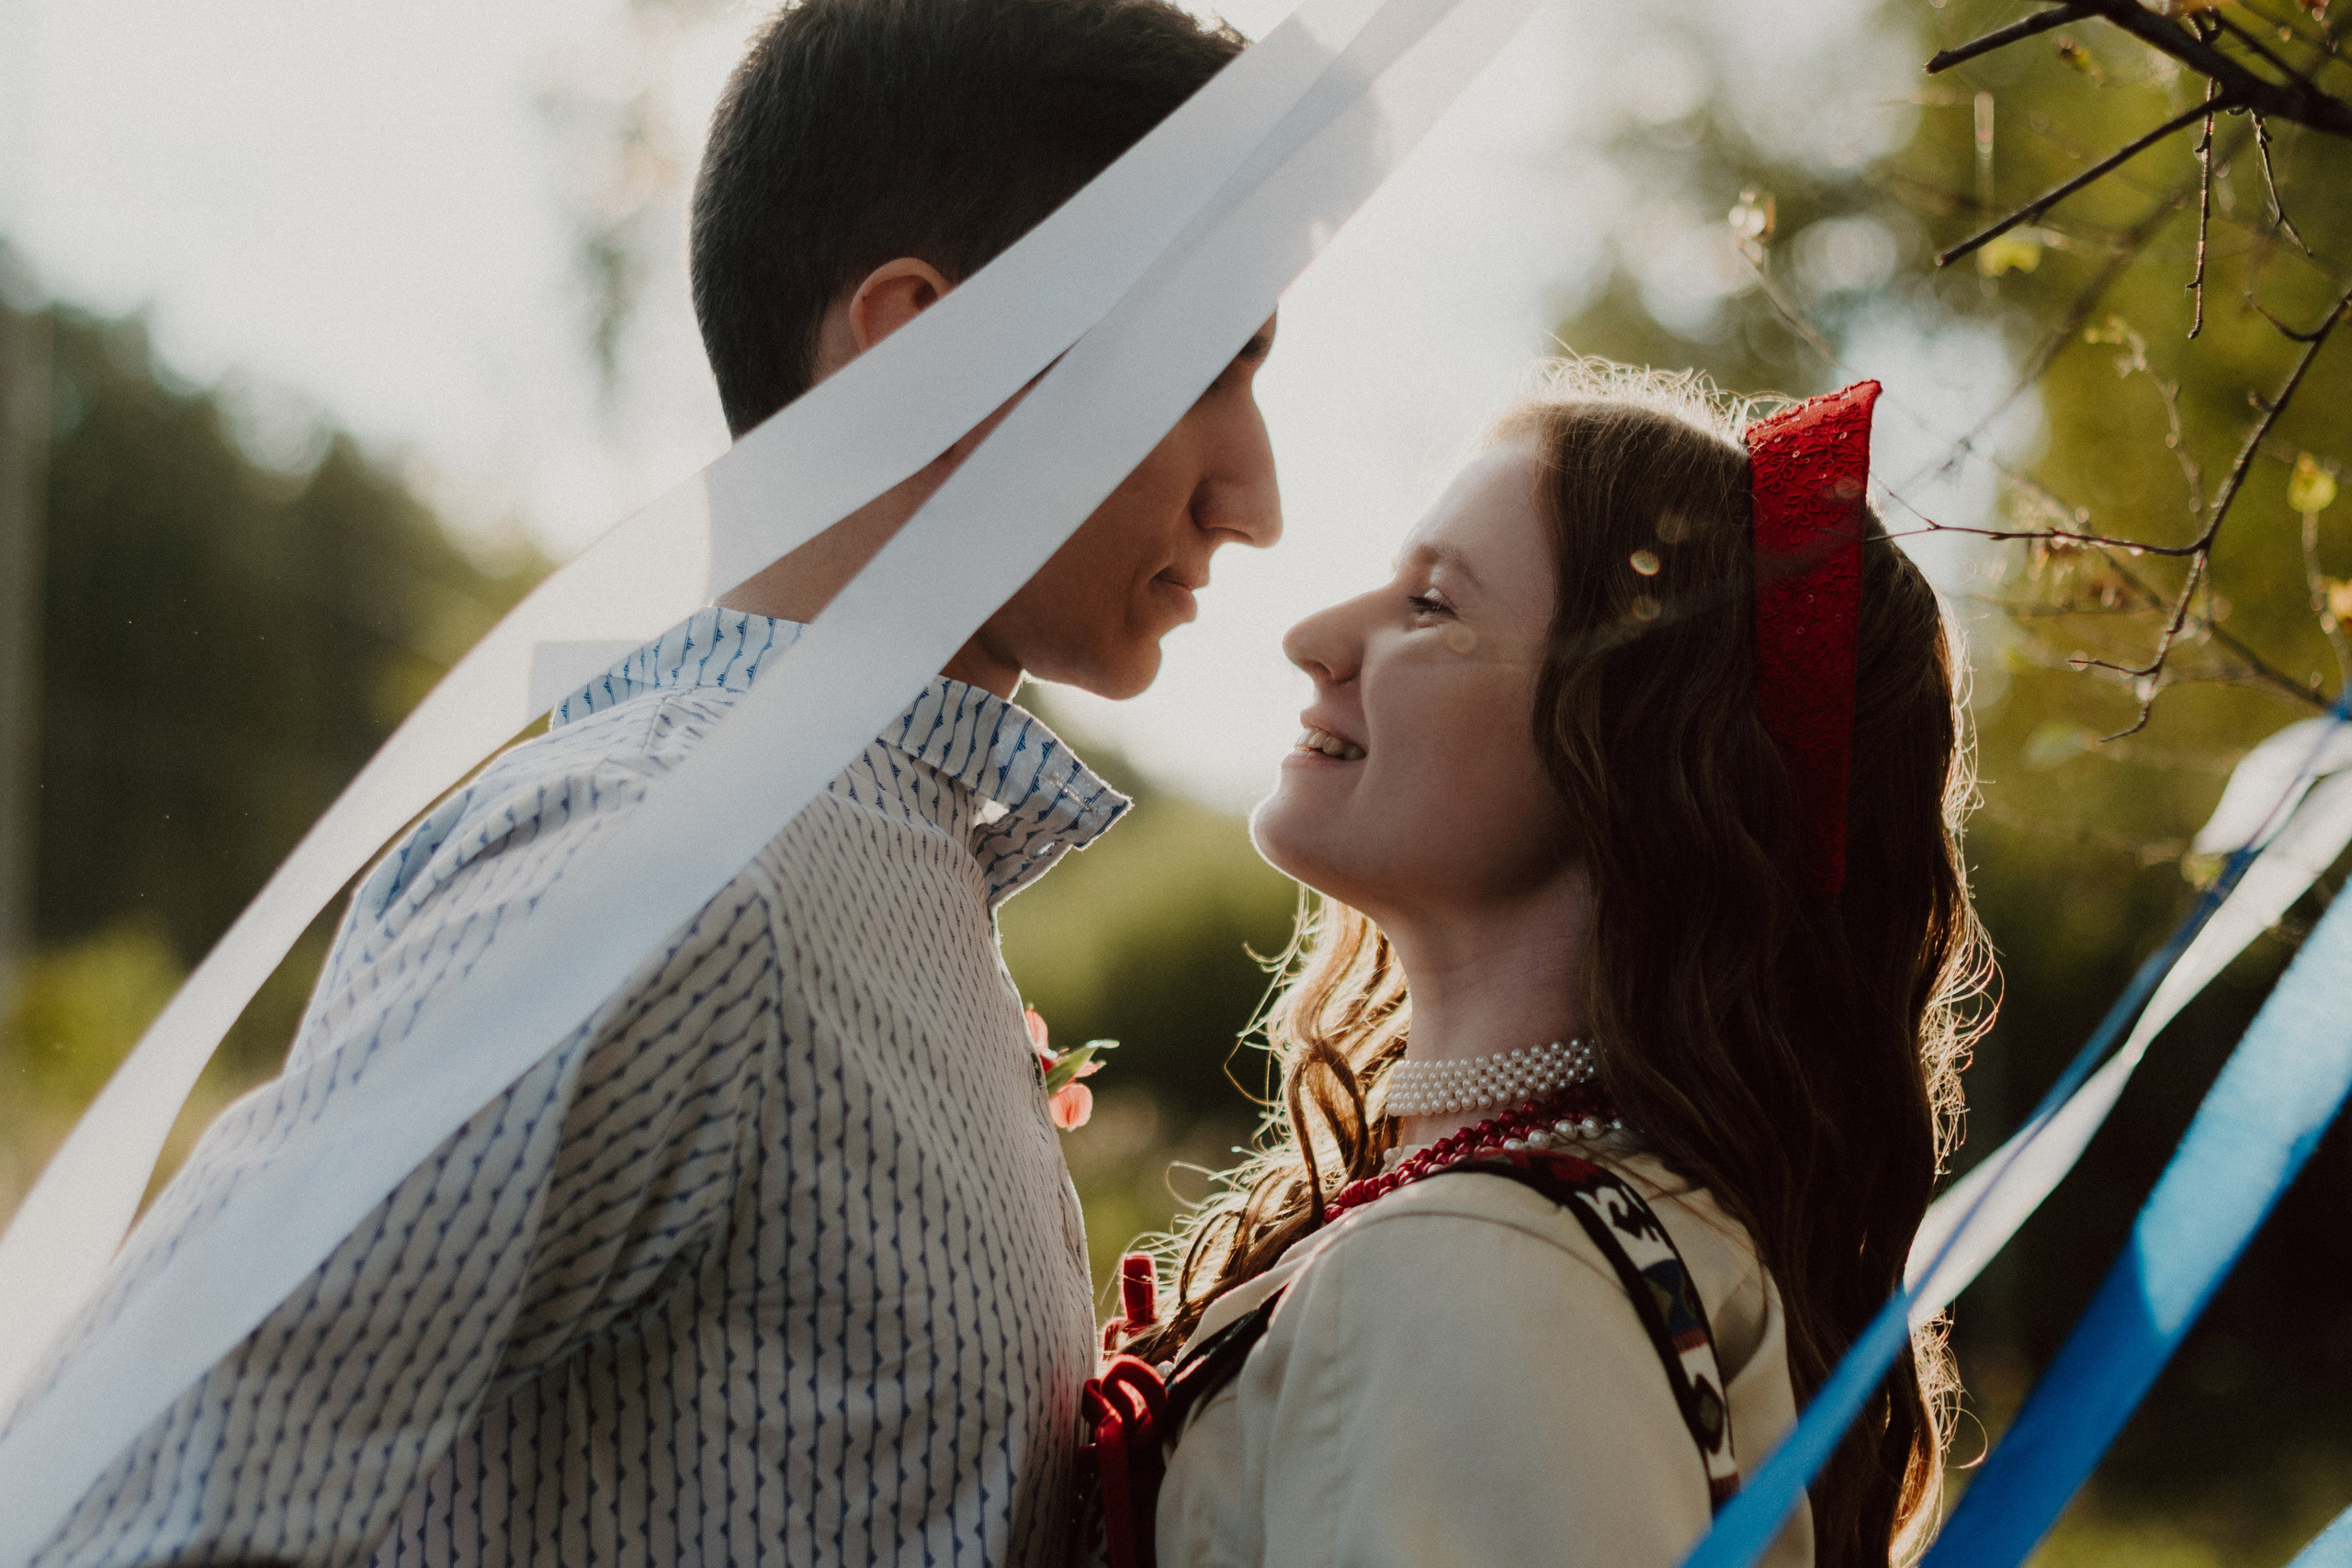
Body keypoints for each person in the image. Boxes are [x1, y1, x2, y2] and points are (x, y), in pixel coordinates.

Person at [16, 2, 1275, 1565]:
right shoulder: (676, 876)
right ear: (929, 350)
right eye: (1209, 366)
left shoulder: (870, 873)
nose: (1259, 497)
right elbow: (119, 1508)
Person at [1102, 366, 1987, 1568]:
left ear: (1628, 753)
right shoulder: (1540, 1241)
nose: (1313, 640)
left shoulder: (1475, 1281)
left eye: (1430, 606)